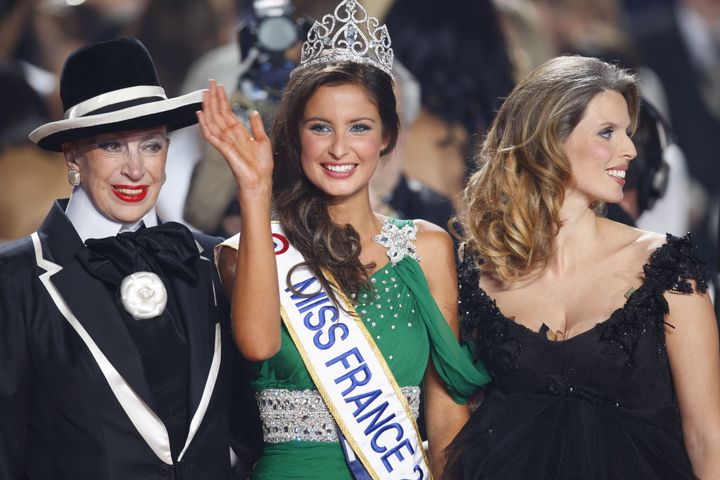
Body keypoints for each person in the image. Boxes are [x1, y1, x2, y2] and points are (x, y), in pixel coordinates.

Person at [200, 0, 490, 478]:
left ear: (387, 137)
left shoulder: (427, 247)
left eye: (359, 127)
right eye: (320, 128)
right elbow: (256, 344)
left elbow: (445, 414)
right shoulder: (249, 250)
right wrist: (255, 189)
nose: (339, 148)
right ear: (296, 137)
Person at [444, 56, 720, 479]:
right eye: (607, 133)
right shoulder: (477, 272)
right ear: (549, 139)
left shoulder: (668, 268)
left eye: (626, 133)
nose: (629, 149)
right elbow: (452, 417)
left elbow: (706, 435)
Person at [0, 37, 256, 478]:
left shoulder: (215, 260)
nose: (135, 170)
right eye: (113, 146)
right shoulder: (14, 281)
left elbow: (252, 427)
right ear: (73, 155)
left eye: (151, 146)